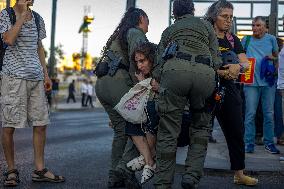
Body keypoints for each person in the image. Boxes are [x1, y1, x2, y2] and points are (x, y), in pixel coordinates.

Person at [152, 0, 226, 188]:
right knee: (200, 128)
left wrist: (159, 79)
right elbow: (217, 60)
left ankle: (163, 183)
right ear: (192, 10)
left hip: (175, 74)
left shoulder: (170, 30)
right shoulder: (206, 27)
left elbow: (159, 64)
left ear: (174, 13)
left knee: (168, 131)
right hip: (204, 76)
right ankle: (191, 176)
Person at [0, 0, 64, 187]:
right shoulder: (6, 15)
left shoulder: (38, 18)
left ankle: (39, 170)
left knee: (41, 123)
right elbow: (9, 39)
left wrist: (46, 75)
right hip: (13, 78)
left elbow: (39, 47)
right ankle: (12, 170)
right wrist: (20, 16)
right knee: (9, 125)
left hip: (36, 78)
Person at [204, 0, 258, 186]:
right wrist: (220, 71)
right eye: (224, 16)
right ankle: (192, 172)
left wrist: (238, 67)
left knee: (236, 130)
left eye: (231, 17)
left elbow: (245, 63)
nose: (228, 21)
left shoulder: (233, 39)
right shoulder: (205, 36)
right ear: (213, 16)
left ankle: (239, 173)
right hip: (206, 88)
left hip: (229, 89)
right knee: (198, 132)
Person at [95, 7, 149, 189]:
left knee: (122, 132)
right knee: (140, 127)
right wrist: (143, 86)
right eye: (147, 22)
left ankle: (115, 178)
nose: (148, 27)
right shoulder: (135, 32)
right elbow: (139, 60)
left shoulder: (119, 35)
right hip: (118, 83)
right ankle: (124, 170)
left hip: (103, 85)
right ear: (141, 18)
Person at [241, 16, 279, 154]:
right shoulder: (246, 40)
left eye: (258, 25)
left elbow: (277, 56)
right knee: (250, 114)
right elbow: (239, 56)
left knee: (269, 114)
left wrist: (272, 58)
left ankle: (269, 143)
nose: (255, 28)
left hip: (268, 82)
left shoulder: (271, 39)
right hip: (250, 81)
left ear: (264, 27)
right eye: (253, 25)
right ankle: (248, 143)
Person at [123, 42, 159, 184]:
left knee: (150, 111)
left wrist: (159, 87)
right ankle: (149, 161)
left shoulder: (162, 71)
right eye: (137, 62)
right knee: (130, 119)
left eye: (142, 61)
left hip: (173, 118)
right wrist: (144, 83)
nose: (139, 66)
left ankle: (146, 159)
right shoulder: (143, 76)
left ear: (151, 58)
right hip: (151, 117)